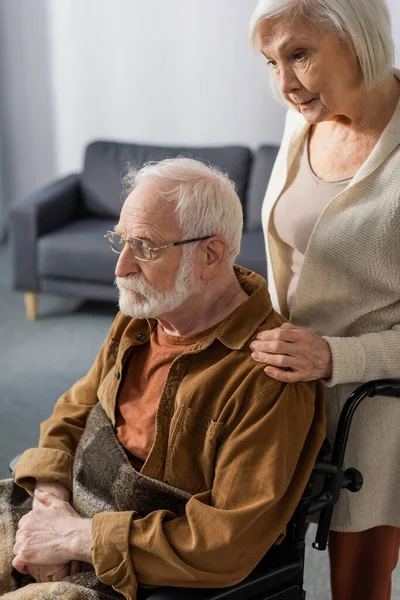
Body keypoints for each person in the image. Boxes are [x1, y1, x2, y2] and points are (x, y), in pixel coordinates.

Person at [3, 158, 325, 600]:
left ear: (210, 255)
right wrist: (50, 503)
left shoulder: (269, 375)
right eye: (121, 241)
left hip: (136, 566)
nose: (120, 268)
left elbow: (226, 541)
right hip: (64, 508)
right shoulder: (140, 319)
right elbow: (77, 408)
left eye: (146, 247)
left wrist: (78, 539)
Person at [248, 1, 400, 599]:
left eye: (300, 55)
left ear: (359, 38)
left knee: (357, 585)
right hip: (287, 392)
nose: (283, 84)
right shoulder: (305, 116)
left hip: (376, 407)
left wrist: (336, 357)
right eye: (270, 62)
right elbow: (294, 255)